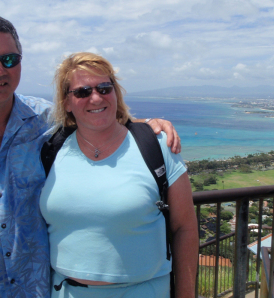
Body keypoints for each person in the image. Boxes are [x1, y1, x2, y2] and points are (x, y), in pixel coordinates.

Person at [0, 15, 181, 297]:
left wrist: (145, 126)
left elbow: (97, 118)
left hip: (33, 290)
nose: (0, 70)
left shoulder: (45, 121)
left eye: (10, 59)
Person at [39, 52, 198, 298]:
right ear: (67, 102)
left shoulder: (157, 145)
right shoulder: (51, 149)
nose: (95, 97)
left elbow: (184, 228)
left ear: (116, 93)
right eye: (82, 92)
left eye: (104, 88)